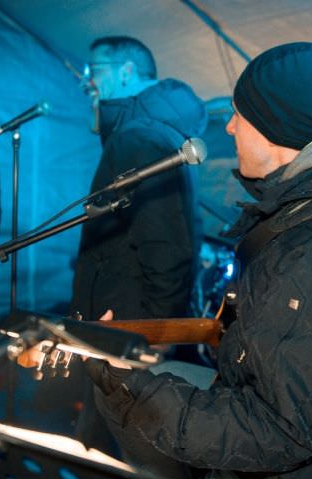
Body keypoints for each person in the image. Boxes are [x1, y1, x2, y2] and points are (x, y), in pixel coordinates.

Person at [80, 42, 312, 479]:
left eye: (240, 114)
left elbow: (275, 432)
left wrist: (130, 385)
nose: (230, 128)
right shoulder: (309, 215)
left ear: (276, 125)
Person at [71, 36, 207, 322]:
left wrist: (155, 330)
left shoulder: (140, 138)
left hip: (123, 322)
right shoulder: (152, 132)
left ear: (126, 71)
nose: (86, 82)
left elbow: (165, 244)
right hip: (123, 314)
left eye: (94, 70)